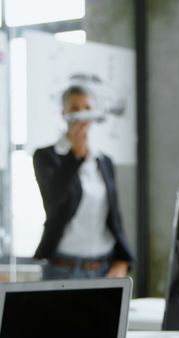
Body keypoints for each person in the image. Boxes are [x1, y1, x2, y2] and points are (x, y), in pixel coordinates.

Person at [33, 85, 134, 280]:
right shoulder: (46, 156)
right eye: (75, 108)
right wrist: (74, 156)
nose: (82, 114)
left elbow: (115, 217)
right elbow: (53, 200)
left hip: (102, 269)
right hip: (62, 270)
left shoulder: (104, 161)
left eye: (87, 108)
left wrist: (123, 260)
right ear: (64, 114)